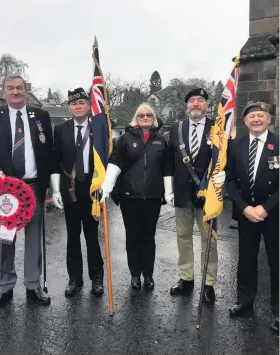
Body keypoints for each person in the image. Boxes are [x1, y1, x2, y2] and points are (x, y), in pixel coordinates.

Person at [0, 74, 54, 311]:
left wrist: (51, 188)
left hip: (33, 186)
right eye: (10, 88)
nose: (15, 92)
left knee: (34, 238)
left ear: (26, 90)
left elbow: (47, 153)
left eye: (19, 88)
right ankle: (4, 288)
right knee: (6, 239)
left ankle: (33, 286)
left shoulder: (41, 116)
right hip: (6, 190)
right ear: (3, 92)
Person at [165, 88, 225, 303]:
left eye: (200, 100)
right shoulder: (176, 129)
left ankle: (208, 283)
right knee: (183, 238)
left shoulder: (216, 128)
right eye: (192, 100)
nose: (196, 103)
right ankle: (186, 278)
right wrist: (168, 189)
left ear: (206, 105)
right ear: (186, 106)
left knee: (209, 240)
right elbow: (170, 162)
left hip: (208, 195)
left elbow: (222, 159)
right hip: (182, 194)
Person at [100, 103, 168, 290]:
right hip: (130, 198)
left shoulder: (161, 141)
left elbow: (166, 168)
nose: (145, 118)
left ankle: (148, 274)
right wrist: (108, 184)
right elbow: (116, 161)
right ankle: (135, 274)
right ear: (136, 118)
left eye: (148, 115)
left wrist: (168, 191)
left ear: (153, 118)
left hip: (152, 197)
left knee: (149, 237)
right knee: (133, 237)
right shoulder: (125, 139)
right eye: (141, 115)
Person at [225, 101, 279, 332]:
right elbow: (230, 180)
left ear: (268, 119)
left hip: (274, 212)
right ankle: (245, 301)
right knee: (246, 258)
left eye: (260, 115)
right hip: (246, 213)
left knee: (277, 260)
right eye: (251, 116)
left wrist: (266, 207)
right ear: (245, 121)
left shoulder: (278, 144)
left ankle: (278, 310)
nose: (256, 119)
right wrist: (244, 207)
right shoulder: (236, 145)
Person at [51, 88, 104, 297]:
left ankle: (97, 277)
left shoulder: (98, 129)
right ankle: (74, 278)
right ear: (69, 107)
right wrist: (55, 189)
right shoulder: (61, 129)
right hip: (70, 189)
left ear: (89, 106)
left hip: (92, 190)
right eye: (73, 104)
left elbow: (106, 158)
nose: (77, 107)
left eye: (81, 103)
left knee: (92, 235)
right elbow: (55, 160)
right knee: (73, 235)